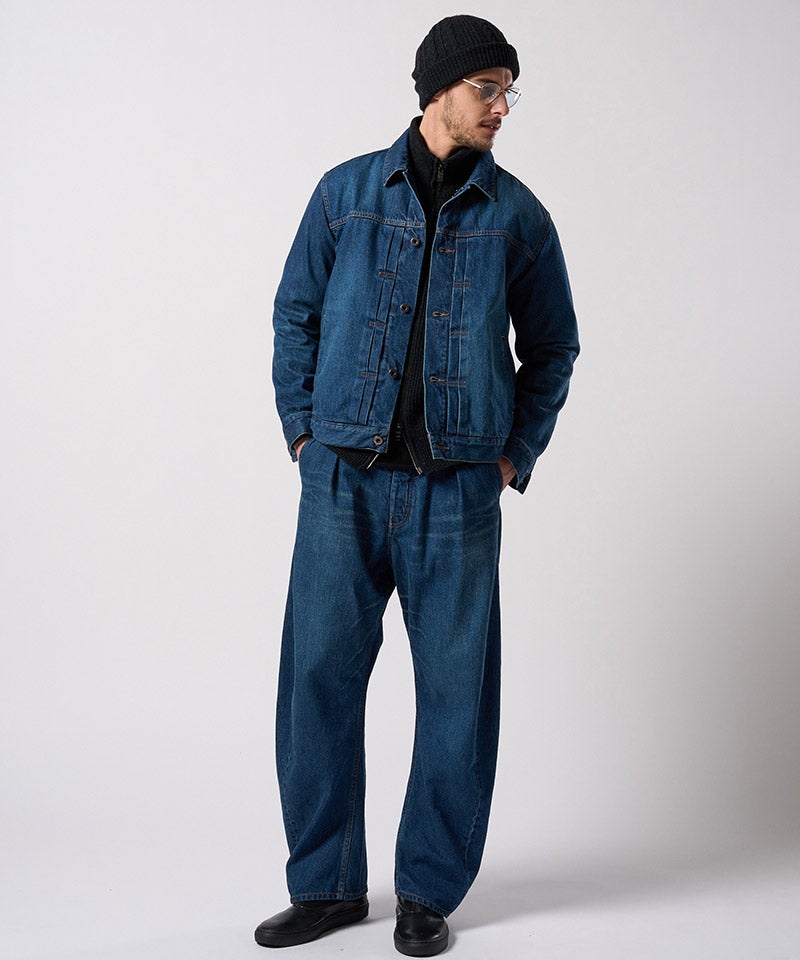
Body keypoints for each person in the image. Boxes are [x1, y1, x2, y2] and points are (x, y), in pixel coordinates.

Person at [255, 15, 579, 956]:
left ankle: (427, 893)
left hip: (457, 494)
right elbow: (294, 315)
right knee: (316, 683)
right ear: (437, 89)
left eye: (508, 90)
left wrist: (512, 455)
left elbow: (553, 345)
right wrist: (304, 433)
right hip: (341, 483)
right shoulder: (346, 194)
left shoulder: (518, 215)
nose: (502, 107)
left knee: (455, 699)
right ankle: (325, 886)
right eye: (487, 88)